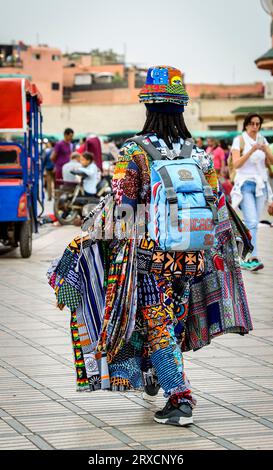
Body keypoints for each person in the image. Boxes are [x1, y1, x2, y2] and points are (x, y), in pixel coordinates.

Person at [48, 65, 252, 428]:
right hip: (192, 258)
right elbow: (216, 201)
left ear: (149, 107)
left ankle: (180, 398)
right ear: (180, 108)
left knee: (156, 324)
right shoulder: (200, 153)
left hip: (148, 257)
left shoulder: (134, 152)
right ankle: (158, 378)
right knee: (170, 322)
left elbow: (121, 206)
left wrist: (92, 237)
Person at [231, 113, 273, 271]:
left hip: (260, 186)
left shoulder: (262, 139)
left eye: (258, 124)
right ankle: (252, 256)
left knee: (253, 223)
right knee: (252, 221)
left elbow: (271, 162)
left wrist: (265, 150)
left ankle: (245, 254)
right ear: (246, 125)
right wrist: (251, 151)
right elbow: (236, 164)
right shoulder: (239, 140)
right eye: (252, 124)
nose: (255, 127)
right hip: (245, 185)